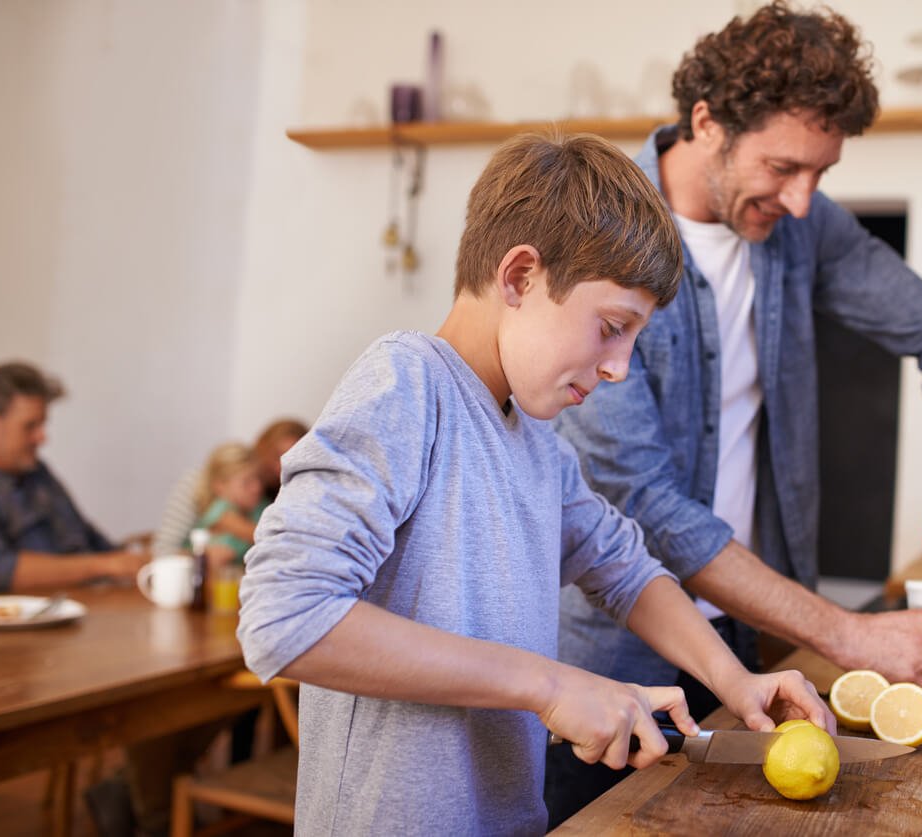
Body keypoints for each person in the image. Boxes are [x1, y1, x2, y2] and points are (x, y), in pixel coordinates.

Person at [235, 132, 834, 835]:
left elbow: (628, 571)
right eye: (612, 326)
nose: (619, 366)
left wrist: (740, 683)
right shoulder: (409, 383)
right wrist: (549, 684)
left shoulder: (537, 443)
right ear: (520, 277)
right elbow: (284, 615)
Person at [546, 2, 922, 822]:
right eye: (782, 167)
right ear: (707, 122)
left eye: (821, 173)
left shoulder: (798, 226)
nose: (803, 201)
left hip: (753, 642)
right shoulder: (601, 236)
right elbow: (649, 509)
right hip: (618, 660)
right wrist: (849, 634)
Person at [0, 361, 148, 593]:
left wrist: (136, 561)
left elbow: (93, 543)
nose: (42, 438)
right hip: (25, 624)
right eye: (30, 426)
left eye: (42, 424)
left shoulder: (37, 472)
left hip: (88, 607)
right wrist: (103, 566)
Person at [152, 418, 307, 557]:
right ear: (220, 485)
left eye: (294, 460)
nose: (281, 467)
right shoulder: (220, 508)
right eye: (276, 455)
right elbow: (261, 534)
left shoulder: (264, 503)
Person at [188, 441, 267, 566]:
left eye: (258, 478)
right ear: (220, 486)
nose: (257, 487)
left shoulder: (258, 506)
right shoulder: (221, 511)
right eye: (246, 482)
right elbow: (260, 535)